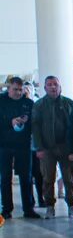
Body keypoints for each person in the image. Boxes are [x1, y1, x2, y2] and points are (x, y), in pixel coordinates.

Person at [31, 75, 73, 219]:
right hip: (47, 148)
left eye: (55, 84)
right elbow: (35, 127)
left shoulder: (69, 103)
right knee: (48, 178)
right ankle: (50, 206)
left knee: (69, 178)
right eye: (49, 84)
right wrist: (39, 148)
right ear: (44, 88)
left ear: (60, 87)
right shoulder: (39, 105)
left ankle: (71, 206)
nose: (53, 87)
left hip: (66, 148)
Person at [0, 77, 39, 218]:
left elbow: (35, 125)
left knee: (26, 177)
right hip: (4, 144)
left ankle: (28, 208)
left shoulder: (28, 103)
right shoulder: (1, 101)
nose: (18, 92)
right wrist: (10, 123)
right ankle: (6, 209)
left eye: (20, 89)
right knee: (5, 177)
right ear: (8, 89)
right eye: (15, 89)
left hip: (23, 145)